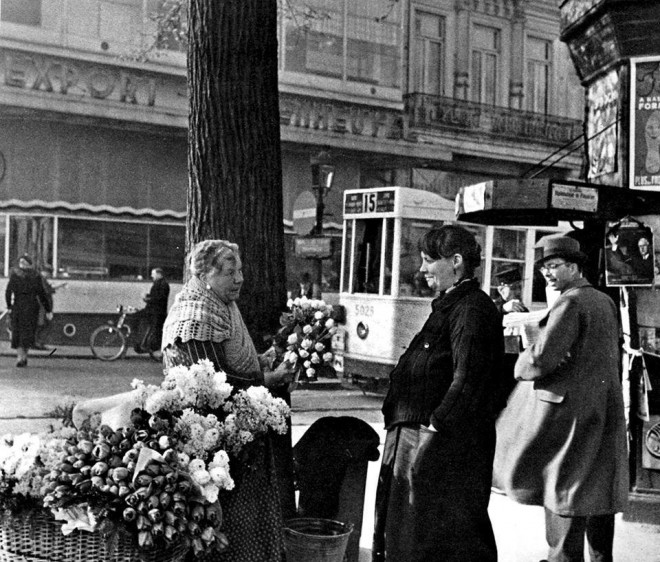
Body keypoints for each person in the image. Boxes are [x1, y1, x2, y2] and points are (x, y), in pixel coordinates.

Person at [372, 225, 507, 562]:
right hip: (420, 439)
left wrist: (434, 429)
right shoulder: (453, 305)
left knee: (439, 539)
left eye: (429, 260)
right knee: (411, 538)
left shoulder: (472, 309)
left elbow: (468, 380)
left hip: (441, 447)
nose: (422, 269)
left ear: (456, 261)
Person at [493, 235, 628, 562]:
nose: (548, 275)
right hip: (602, 411)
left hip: (571, 417)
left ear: (574, 266)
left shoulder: (570, 303)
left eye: (554, 267)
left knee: (564, 490)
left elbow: (540, 359)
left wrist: (520, 362)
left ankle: (562, 560)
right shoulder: (603, 300)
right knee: (597, 493)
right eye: (543, 270)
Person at [161, 240, 296, 562]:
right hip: (213, 441)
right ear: (205, 274)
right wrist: (268, 380)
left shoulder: (221, 306)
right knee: (227, 524)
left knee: (247, 520)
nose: (240, 279)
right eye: (230, 272)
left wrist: (265, 360)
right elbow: (212, 383)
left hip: (237, 434)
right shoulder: (194, 316)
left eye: (240, 271)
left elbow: (235, 360)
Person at [4, 255, 52, 367]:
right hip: (31, 307)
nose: (22, 264)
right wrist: (48, 309)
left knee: (19, 332)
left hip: (18, 307)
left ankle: (20, 358)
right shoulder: (35, 276)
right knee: (28, 333)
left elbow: (8, 291)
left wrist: (9, 306)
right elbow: (42, 293)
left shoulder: (15, 275)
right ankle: (23, 357)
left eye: (23, 262)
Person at [134, 267, 170, 353]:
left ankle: (144, 344)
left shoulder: (163, 284)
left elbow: (159, 298)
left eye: (153, 274)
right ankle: (141, 343)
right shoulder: (159, 283)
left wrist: (147, 298)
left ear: (159, 274)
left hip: (156, 313)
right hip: (153, 311)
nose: (151, 275)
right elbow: (156, 296)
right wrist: (148, 296)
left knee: (152, 329)